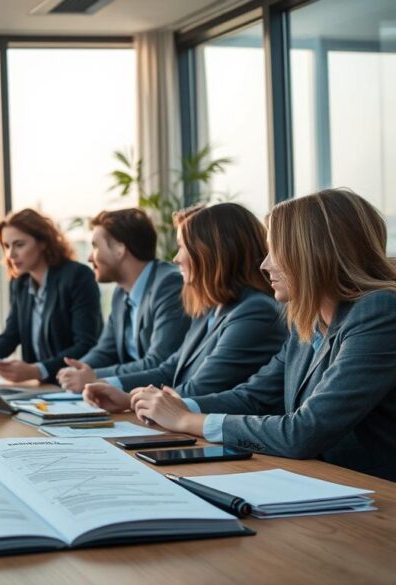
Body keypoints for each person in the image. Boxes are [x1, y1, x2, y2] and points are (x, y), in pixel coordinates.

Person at [129, 189, 396, 481]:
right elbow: (254, 397)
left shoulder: (378, 311)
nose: (264, 264)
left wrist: (187, 420)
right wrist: (180, 407)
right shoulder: (306, 320)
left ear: (312, 252)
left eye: (275, 251)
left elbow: (304, 431)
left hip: (374, 496)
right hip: (321, 482)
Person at [82, 203, 286, 411]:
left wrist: (132, 400)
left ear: (210, 252)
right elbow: (169, 369)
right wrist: (117, 391)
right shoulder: (210, 309)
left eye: (181, 247)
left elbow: (200, 388)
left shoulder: (255, 312)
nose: (175, 258)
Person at [57, 208, 189, 391]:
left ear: (120, 249)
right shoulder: (120, 293)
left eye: (95, 246)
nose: (89, 257)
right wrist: (75, 370)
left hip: (165, 400)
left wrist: (94, 377)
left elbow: (159, 361)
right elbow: (105, 351)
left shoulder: (168, 286)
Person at [0, 208, 103, 383]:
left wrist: (37, 370)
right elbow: (11, 336)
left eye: (19, 245)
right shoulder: (20, 284)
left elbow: (86, 344)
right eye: (7, 246)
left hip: (77, 385)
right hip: (42, 389)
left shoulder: (77, 276)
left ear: (43, 243)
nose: (11, 255)